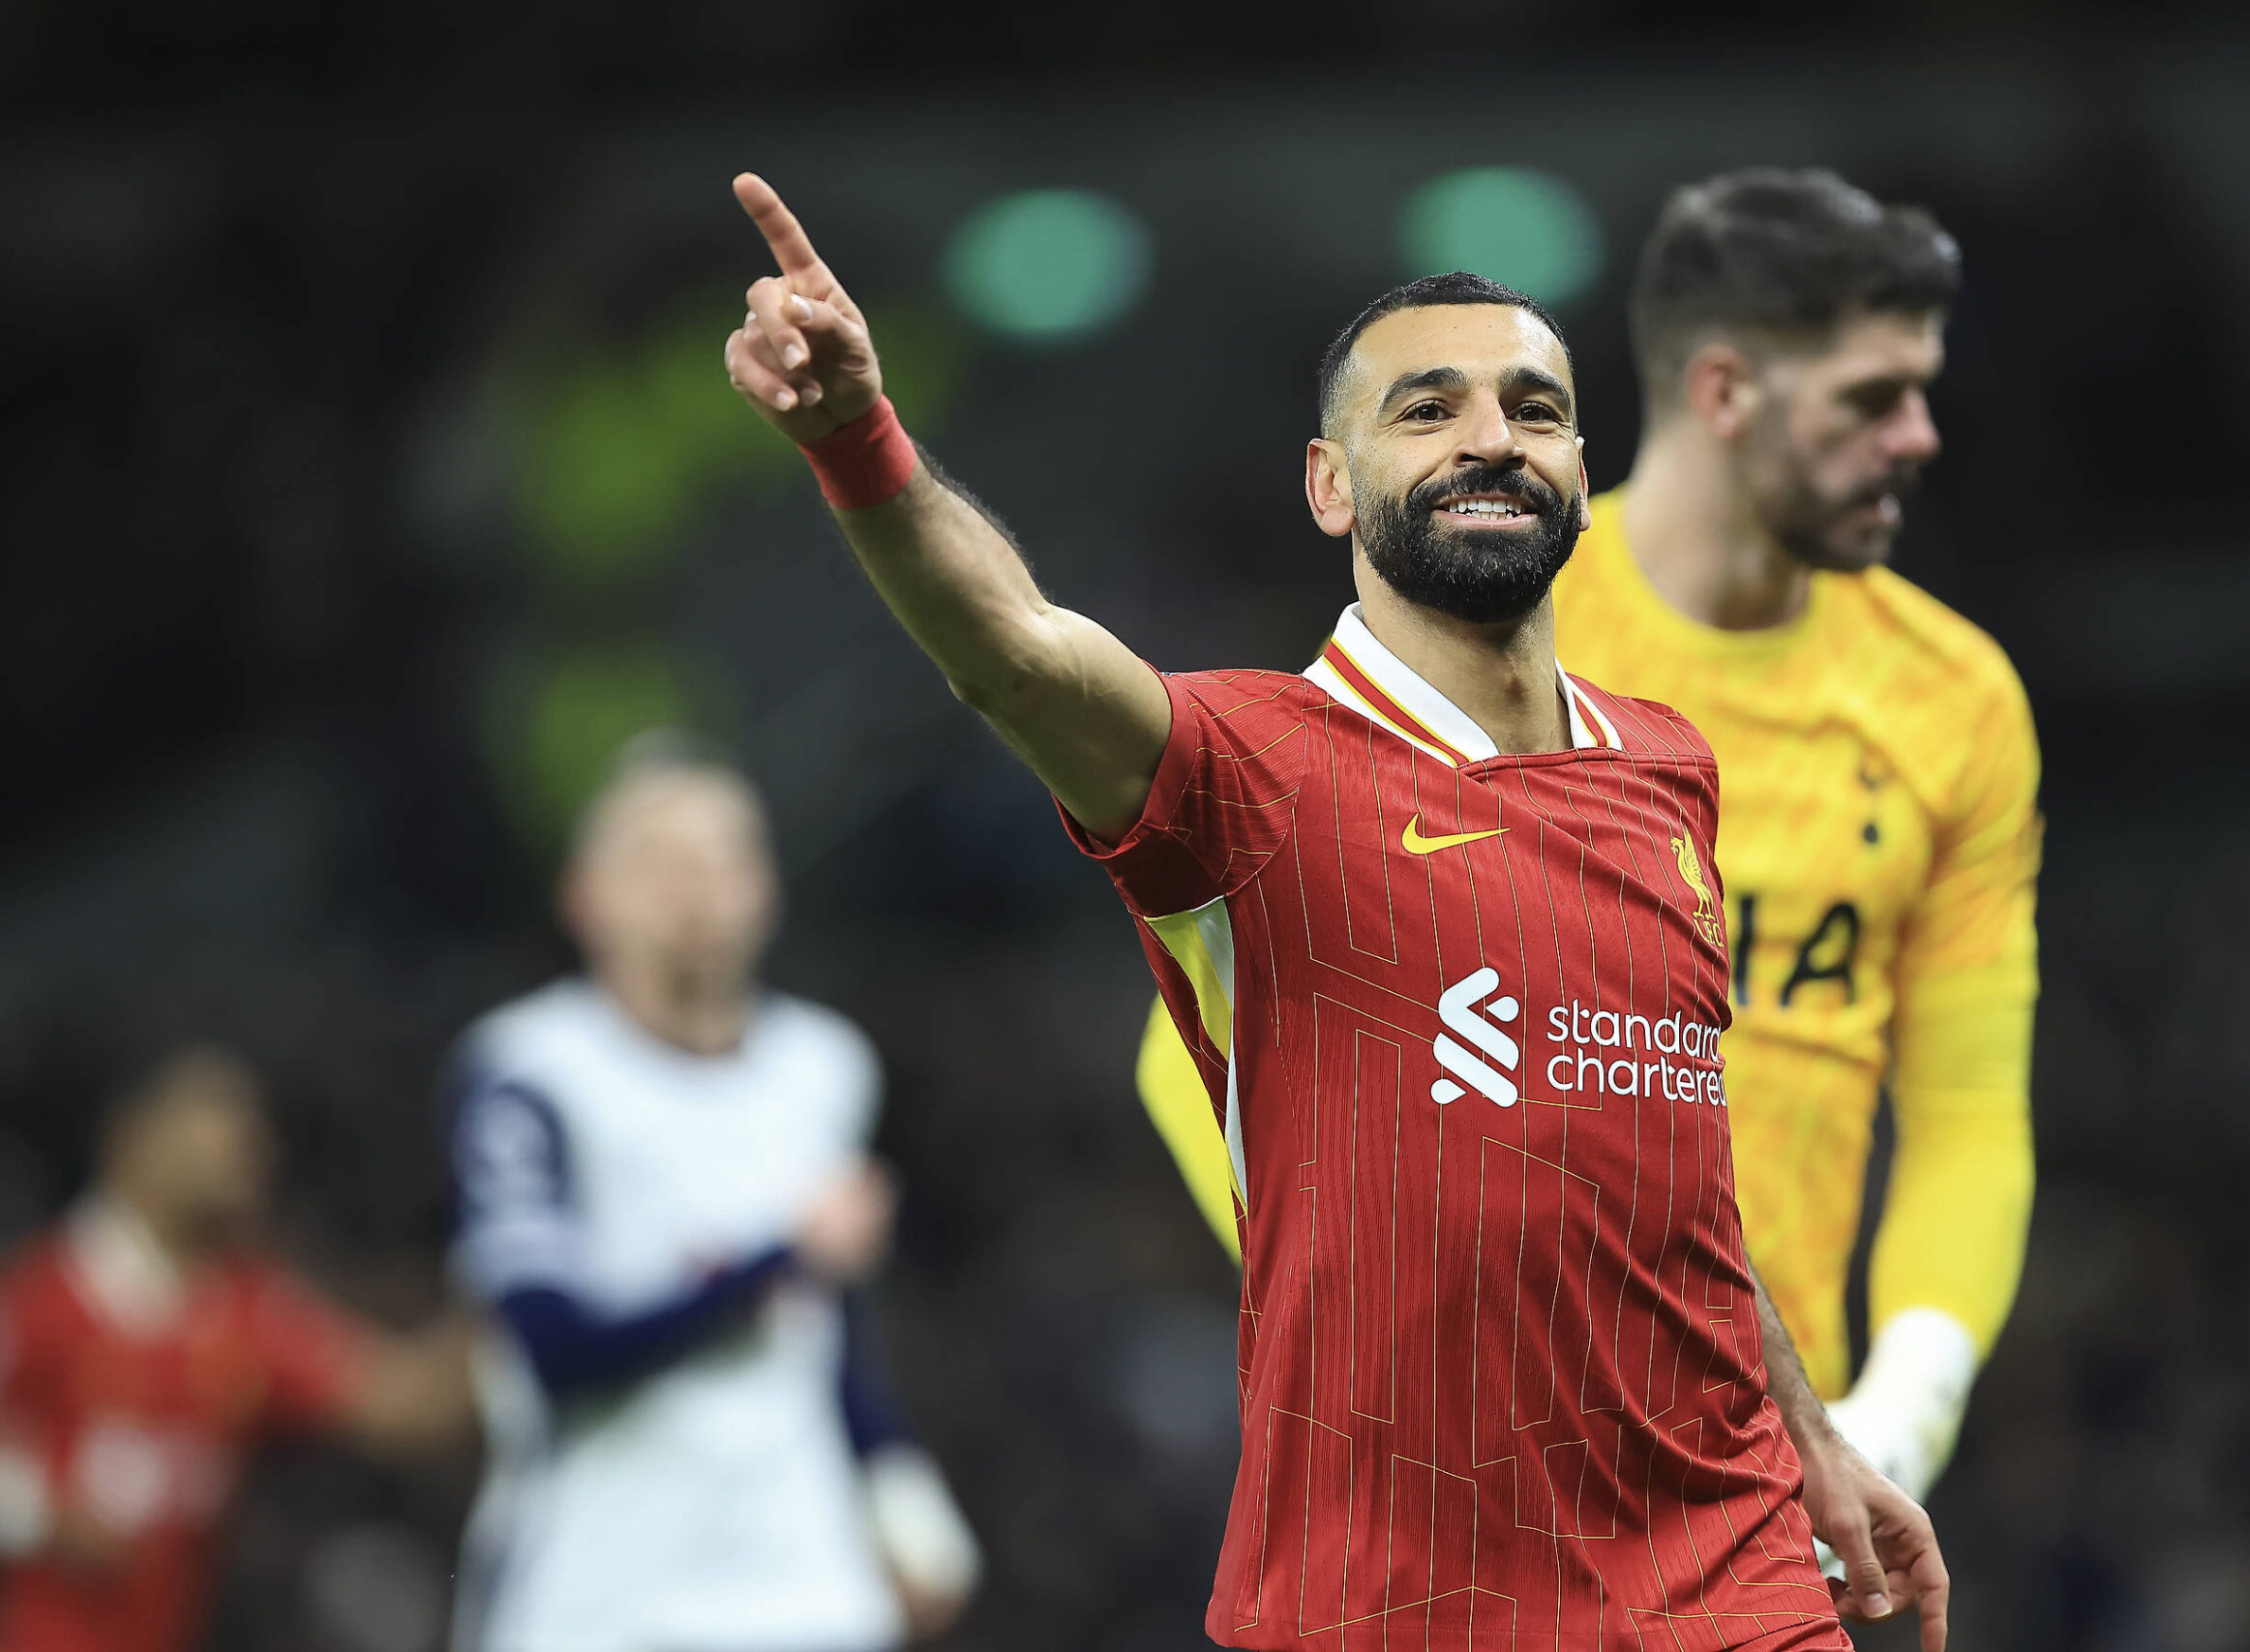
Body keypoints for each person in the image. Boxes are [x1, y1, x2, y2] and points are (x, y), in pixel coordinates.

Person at [723, 172, 1948, 1651]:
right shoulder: (1252, 767)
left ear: (1577, 465)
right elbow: (1019, 654)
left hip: (1731, 1586)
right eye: (1427, 409)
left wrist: (1809, 1429)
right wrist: (857, 435)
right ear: (1327, 484)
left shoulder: (1671, 768)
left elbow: (1671, 1176)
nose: (1491, 437)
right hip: (1393, 1606)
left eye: (1533, 409)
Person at [1135, 167, 2040, 1508]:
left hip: (1764, 1469)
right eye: (1869, 398)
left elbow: (1966, 1112)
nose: (1917, 436)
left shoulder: (1957, 699)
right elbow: (1196, 1058)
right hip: (1470, 1455)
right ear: (1726, 393)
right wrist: (1394, 1352)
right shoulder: (1483, 615)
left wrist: (1896, 1416)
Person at [445, 739, 980, 1652]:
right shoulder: (530, 1072)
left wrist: (896, 1487)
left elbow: (829, 1334)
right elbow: (553, 1350)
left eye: (724, 857)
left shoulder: (824, 1066)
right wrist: (780, 1257)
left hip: (807, 1593)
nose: (695, 887)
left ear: (767, 889)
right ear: (584, 897)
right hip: (604, 1597)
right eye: (657, 861)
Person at [0, 1047, 474, 1652]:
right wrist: (38, 1516)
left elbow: (405, 1405)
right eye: (215, 1122)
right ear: (133, 1137)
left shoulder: (251, 1309)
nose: (247, 1149)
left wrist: (511, 1292)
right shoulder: (40, 1296)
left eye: (251, 1131)